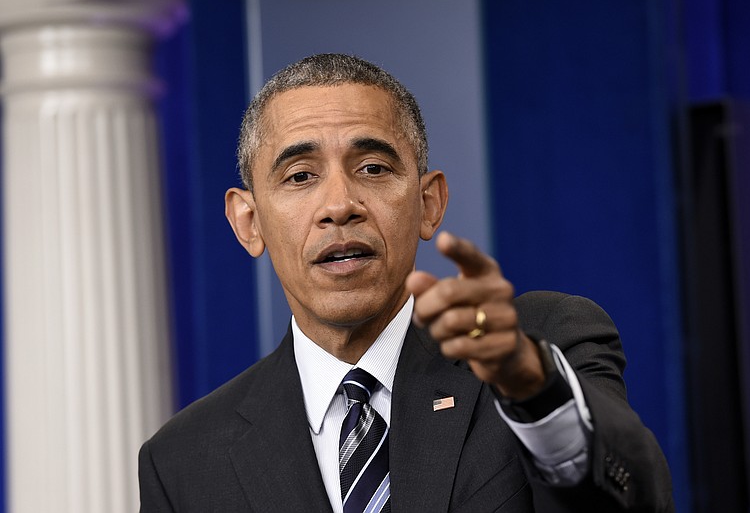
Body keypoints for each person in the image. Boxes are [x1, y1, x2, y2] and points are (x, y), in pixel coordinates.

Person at [138, 53, 673, 512]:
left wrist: (532, 387)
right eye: (300, 176)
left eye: (372, 168)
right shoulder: (185, 461)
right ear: (248, 222)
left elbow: (634, 499)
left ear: (428, 202)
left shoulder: (546, 345)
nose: (339, 205)